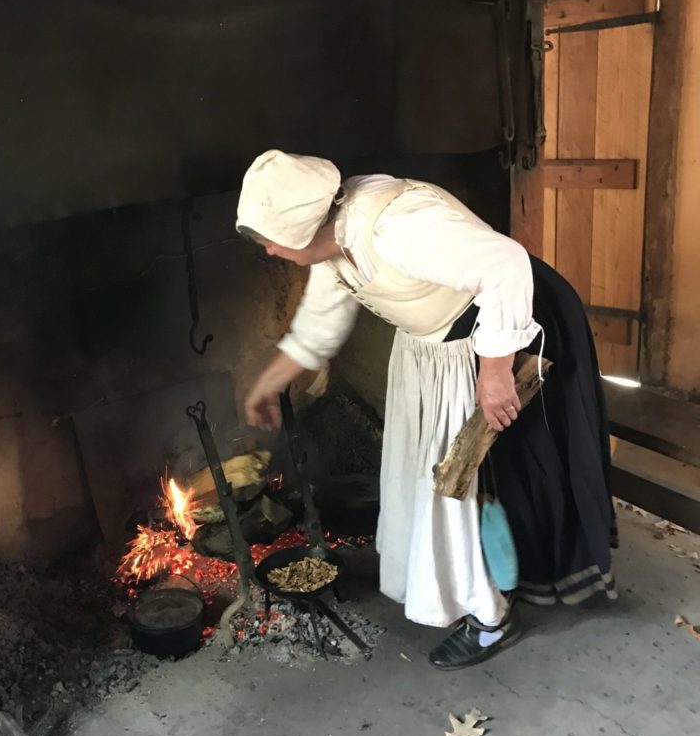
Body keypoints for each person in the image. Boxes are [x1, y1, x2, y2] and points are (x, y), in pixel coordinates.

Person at [237, 149, 617, 669]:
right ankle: (489, 581)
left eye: (271, 239)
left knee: (480, 479)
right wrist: (267, 384)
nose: (269, 251)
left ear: (301, 227)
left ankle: (490, 617)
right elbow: (319, 327)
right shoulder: (333, 245)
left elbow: (506, 265)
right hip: (436, 347)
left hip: (507, 327)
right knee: (445, 480)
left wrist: (495, 371)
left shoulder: (397, 227)